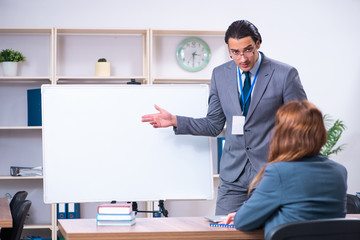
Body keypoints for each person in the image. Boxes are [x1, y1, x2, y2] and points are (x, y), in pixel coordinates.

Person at [142, 20, 307, 215]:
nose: (242, 58)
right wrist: (176, 120)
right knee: (221, 231)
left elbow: (302, 125)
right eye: (235, 52)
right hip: (232, 176)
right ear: (228, 49)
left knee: (265, 232)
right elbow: (214, 125)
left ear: (258, 44)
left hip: (270, 173)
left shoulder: (284, 74)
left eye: (248, 50)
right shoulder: (220, 75)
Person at [224, 100, 348, 237]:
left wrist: (253, 216)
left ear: (283, 135)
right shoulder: (339, 172)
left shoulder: (279, 172)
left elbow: (242, 221)